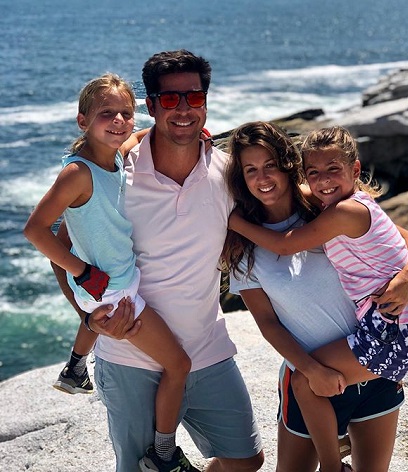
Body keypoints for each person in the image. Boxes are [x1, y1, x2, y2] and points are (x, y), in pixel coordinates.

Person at [49, 51, 264, 472]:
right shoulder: (116, 172)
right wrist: (89, 315)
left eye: (194, 97)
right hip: (129, 354)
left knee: (245, 461)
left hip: (207, 349)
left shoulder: (226, 172)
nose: (183, 109)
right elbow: (62, 245)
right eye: (170, 100)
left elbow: (296, 209)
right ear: (151, 106)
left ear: (206, 101)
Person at [223, 121, 408, 472]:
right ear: (241, 179)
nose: (263, 178)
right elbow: (268, 324)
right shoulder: (245, 248)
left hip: (371, 368)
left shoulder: (327, 208)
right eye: (251, 170)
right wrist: (311, 371)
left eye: (270, 165)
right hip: (310, 375)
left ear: (289, 167)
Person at [24, 73, 207, 471]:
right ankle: (162, 454)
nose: (120, 120)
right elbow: (35, 230)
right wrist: (82, 272)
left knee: (113, 326)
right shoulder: (79, 173)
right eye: (107, 113)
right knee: (179, 366)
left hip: (114, 286)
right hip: (112, 292)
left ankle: (75, 367)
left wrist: (187, 132)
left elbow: (134, 137)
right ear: (82, 120)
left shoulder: (113, 156)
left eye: (126, 112)